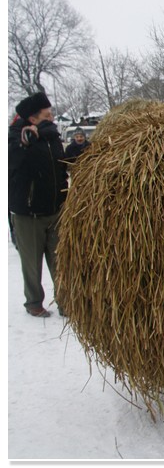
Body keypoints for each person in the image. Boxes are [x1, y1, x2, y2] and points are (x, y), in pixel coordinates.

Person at [8, 91, 68, 318]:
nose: (52, 117)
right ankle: (34, 302)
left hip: (54, 210)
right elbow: (11, 161)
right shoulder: (15, 137)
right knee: (32, 264)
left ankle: (66, 302)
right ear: (33, 119)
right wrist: (23, 143)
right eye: (47, 114)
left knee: (60, 261)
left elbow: (60, 167)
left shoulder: (52, 138)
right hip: (28, 214)